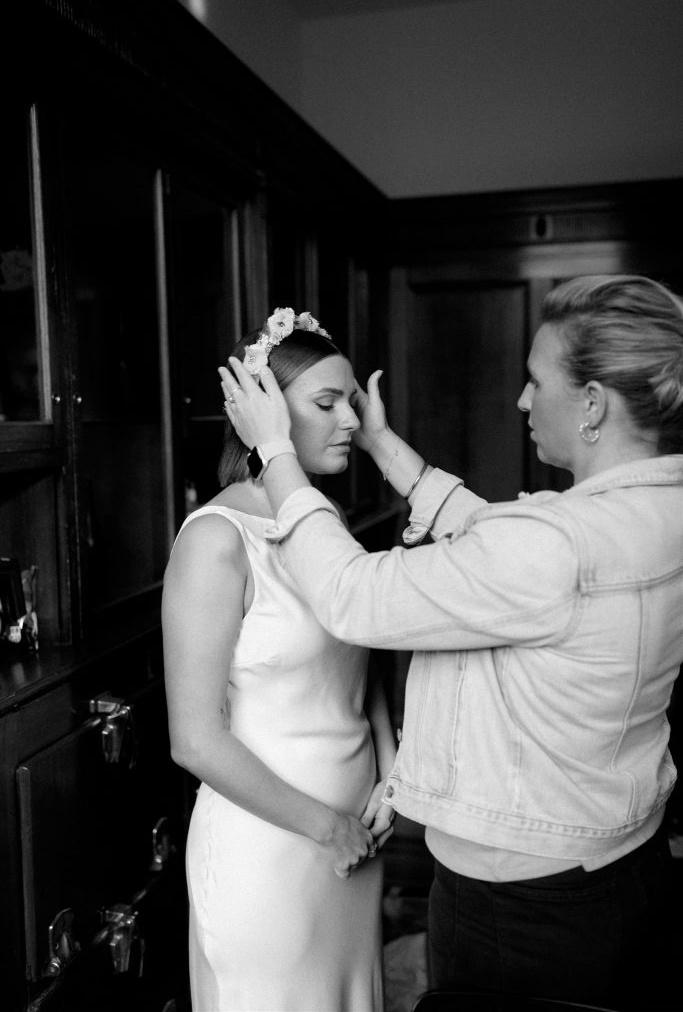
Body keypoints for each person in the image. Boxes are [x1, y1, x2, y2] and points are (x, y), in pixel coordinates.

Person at [219, 275, 683, 1010]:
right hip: (627, 868)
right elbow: (501, 546)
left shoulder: (558, 545)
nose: (523, 400)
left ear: (593, 403)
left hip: (529, 908)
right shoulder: (658, 507)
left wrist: (274, 450)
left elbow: (351, 595)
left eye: (536, 381)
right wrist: (381, 444)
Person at [163, 308, 396, 1012]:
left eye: (350, 401)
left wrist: (391, 774)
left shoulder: (324, 523)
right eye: (327, 404)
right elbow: (194, 739)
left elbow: (358, 668)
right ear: (261, 411)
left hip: (357, 840)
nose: (352, 420)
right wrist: (328, 827)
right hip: (266, 854)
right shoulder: (215, 540)